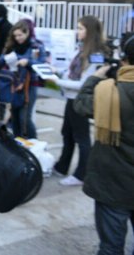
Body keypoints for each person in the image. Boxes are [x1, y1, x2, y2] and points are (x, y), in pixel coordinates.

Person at [73, 32, 134, 255]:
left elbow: (80, 105)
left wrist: (96, 77)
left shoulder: (109, 92)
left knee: (111, 246)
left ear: (125, 60)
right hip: (115, 183)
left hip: (113, 184)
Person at [51, 16, 110, 187]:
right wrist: (57, 72)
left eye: (81, 28)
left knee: (81, 138)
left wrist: (57, 81)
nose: (78, 31)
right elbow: (72, 73)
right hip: (71, 99)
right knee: (67, 134)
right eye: (77, 28)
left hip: (80, 101)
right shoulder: (82, 49)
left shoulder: (96, 55)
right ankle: (62, 166)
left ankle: (81, 174)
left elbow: (84, 84)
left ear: (90, 31)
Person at [0, 20, 46, 139]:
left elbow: (41, 63)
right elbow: (0, 60)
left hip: (29, 85)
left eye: (20, 35)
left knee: (24, 117)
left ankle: (34, 144)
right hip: (13, 84)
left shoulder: (36, 46)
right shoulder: (12, 45)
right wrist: (6, 58)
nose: (18, 38)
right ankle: (18, 142)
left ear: (27, 32)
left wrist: (28, 62)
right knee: (14, 116)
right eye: (15, 35)